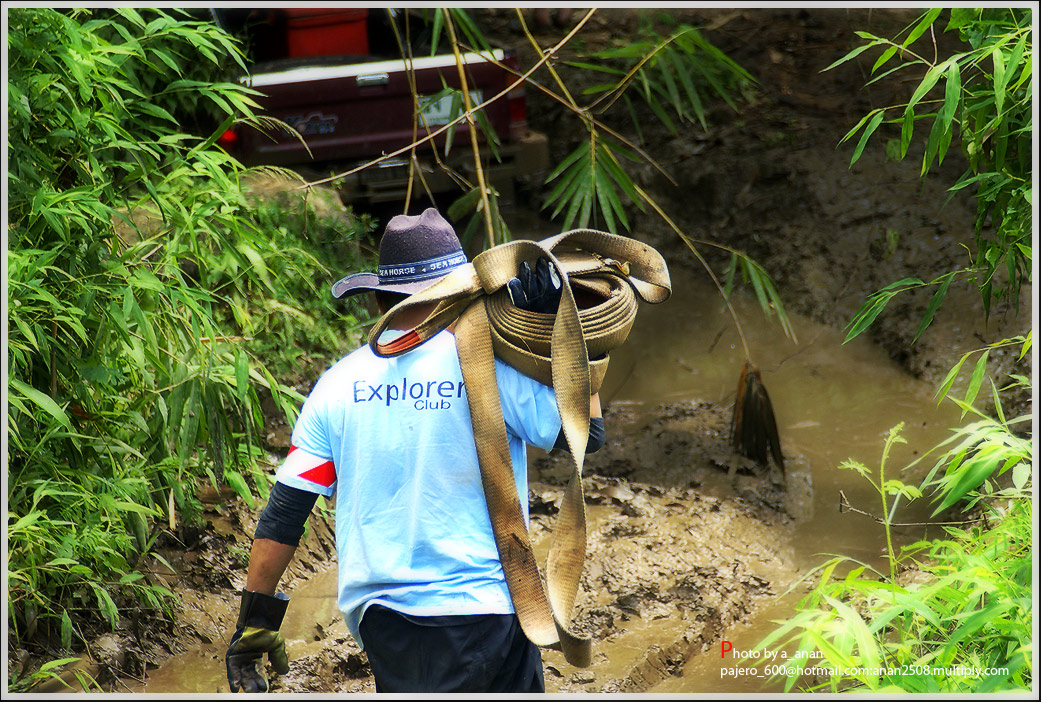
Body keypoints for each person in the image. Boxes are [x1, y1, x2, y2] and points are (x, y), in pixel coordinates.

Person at [224, 208, 604, 693]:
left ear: (379, 299)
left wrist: (255, 624)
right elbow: (587, 435)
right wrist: (569, 334)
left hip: (384, 620)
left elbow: (285, 513)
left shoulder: (336, 385)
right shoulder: (490, 368)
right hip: (488, 609)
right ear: (461, 294)